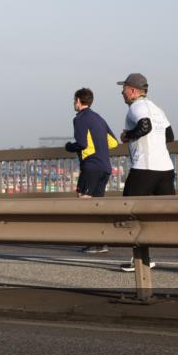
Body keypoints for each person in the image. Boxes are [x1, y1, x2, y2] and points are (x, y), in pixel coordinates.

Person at [116, 73, 178, 274]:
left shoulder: (136, 107)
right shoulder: (157, 109)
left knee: (128, 210)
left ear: (132, 90)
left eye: (123, 88)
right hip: (165, 168)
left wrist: (127, 136)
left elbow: (145, 126)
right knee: (173, 214)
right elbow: (170, 135)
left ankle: (141, 259)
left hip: (144, 168)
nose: (121, 92)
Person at [64, 88, 119, 254]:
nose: (74, 103)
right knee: (98, 205)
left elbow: (82, 143)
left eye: (74, 100)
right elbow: (114, 142)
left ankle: (93, 242)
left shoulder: (80, 118)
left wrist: (69, 146)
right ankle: (101, 243)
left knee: (85, 202)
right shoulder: (98, 118)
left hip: (91, 166)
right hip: (105, 167)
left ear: (79, 101)